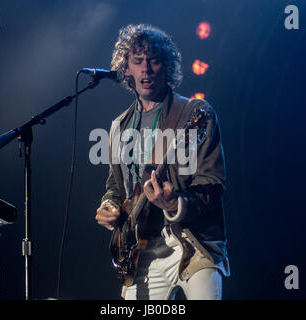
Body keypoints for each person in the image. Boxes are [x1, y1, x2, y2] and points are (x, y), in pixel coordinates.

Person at [95, 24, 230, 300]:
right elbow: (115, 187)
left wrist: (175, 203)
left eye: (154, 60)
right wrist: (109, 205)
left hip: (193, 244)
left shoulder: (194, 113)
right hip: (140, 253)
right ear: (126, 69)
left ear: (166, 67)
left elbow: (213, 184)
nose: (146, 68)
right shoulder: (118, 127)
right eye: (137, 61)